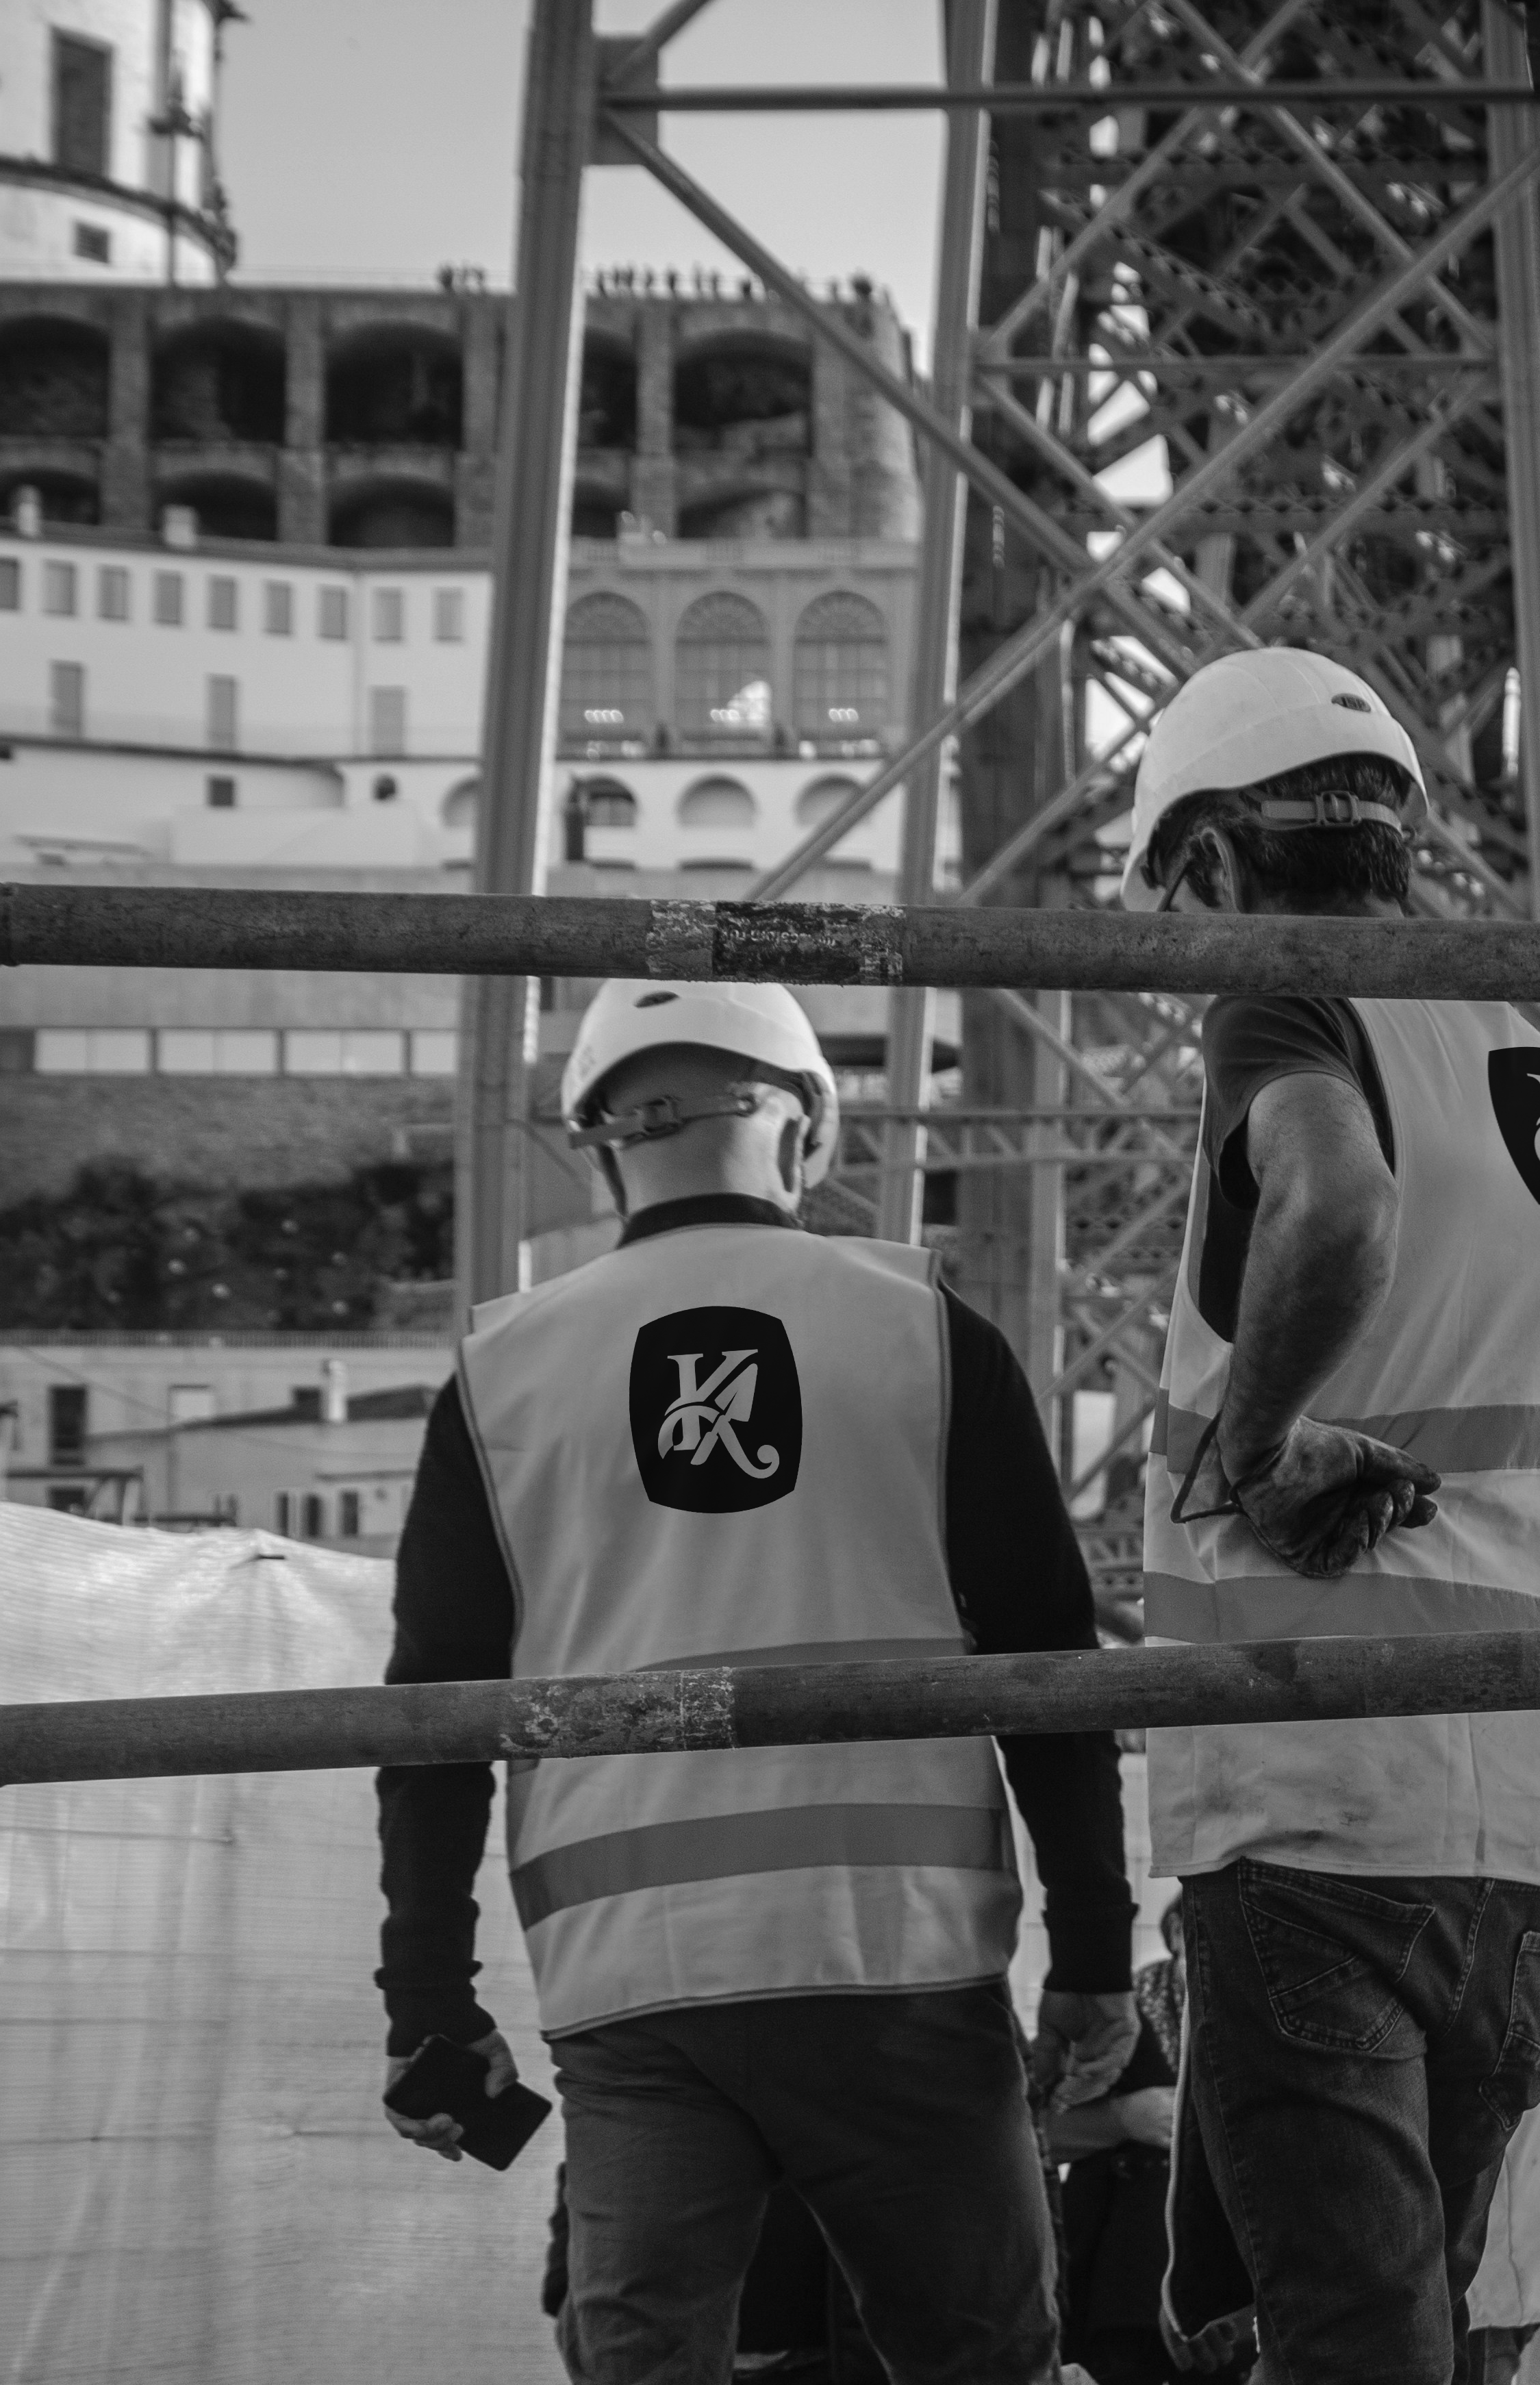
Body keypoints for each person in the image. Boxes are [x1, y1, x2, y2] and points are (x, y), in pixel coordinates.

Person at [375, 977, 1138, 2385]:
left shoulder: (500, 1374)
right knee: (978, 2357)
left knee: (645, 2359)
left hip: (635, 1982)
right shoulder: (920, 1327)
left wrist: (426, 1997)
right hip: (895, 1961)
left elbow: (427, 1719)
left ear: (605, 1144)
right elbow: (1047, 1665)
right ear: (807, 1133)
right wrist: (1092, 1955)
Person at [1122, 646, 1540, 2385]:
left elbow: (1335, 1204)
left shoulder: (1285, 1004)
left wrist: (1259, 1434)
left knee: (1344, 2338)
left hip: (1311, 1795)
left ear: (1215, 858)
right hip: (1513, 1817)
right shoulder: (1517, 1034)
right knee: (1442, 2323)